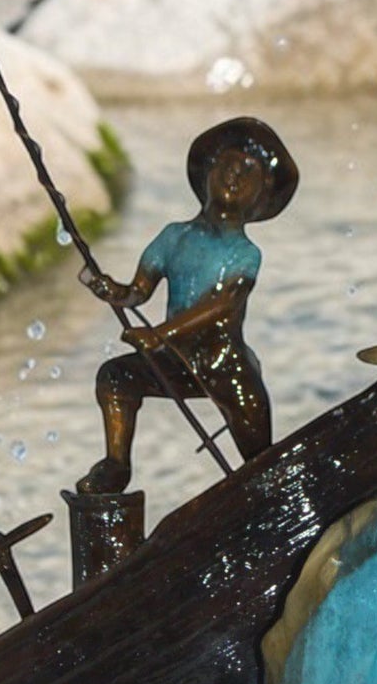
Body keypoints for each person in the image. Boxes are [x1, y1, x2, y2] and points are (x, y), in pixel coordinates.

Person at [76, 117, 299, 495]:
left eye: (248, 174)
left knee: (260, 458)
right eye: (226, 165)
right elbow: (138, 291)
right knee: (115, 377)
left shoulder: (244, 254)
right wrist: (112, 290)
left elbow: (221, 307)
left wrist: (158, 333)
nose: (234, 176)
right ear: (206, 174)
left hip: (225, 364)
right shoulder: (173, 237)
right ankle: (116, 466)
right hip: (175, 360)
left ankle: (264, 495)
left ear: (260, 197)